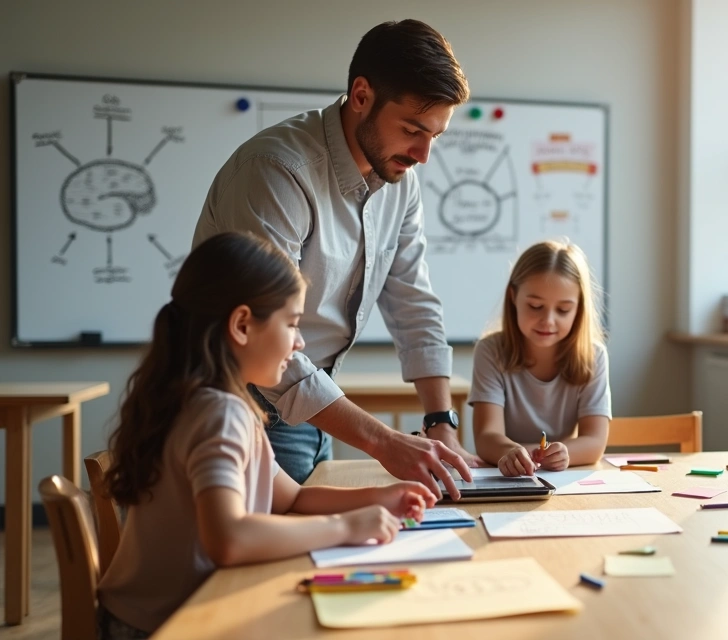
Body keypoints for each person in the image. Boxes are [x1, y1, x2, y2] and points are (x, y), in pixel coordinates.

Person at [97, 233, 435, 637]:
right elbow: (229, 539)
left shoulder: (201, 401)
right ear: (242, 325)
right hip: (164, 626)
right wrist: (345, 528)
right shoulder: (218, 413)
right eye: (292, 323)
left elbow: (292, 497)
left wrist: (381, 498)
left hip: (141, 617)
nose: (300, 342)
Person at [194, 19, 476, 491]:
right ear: (361, 95)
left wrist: (440, 419)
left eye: (435, 136)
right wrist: (384, 441)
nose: (424, 154)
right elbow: (261, 333)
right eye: (411, 129)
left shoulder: (398, 180)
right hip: (242, 403)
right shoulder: (277, 172)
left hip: (317, 405)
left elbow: (413, 301)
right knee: (266, 563)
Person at [468, 241, 611, 476]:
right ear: (513, 297)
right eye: (535, 306)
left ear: (579, 309)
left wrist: (565, 453)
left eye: (563, 310)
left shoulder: (593, 356)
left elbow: (594, 442)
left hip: (561, 480)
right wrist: (511, 451)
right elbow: (486, 438)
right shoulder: (490, 351)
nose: (548, 320)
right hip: (507, 477)